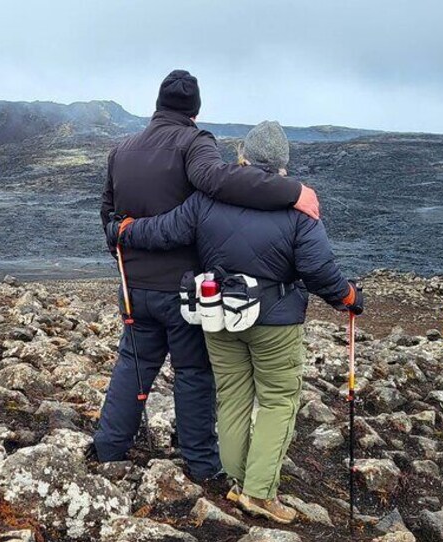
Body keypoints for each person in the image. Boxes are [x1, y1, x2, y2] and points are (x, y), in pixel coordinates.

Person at [107, 120, 364, 522]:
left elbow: (165, 231)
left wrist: (126, 230)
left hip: (219, 316)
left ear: (242, 156)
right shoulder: (298, 208)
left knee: (231, 396)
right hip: (275, 323)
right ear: (281, 165)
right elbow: (318, 270)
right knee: (278, 400)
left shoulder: (206, 200)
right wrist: (348, 297)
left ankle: (237, 479)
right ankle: (259, 492)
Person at [94, 70, 321, 482]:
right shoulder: (195, 143)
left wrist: (122, 253)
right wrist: (291, 192)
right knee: (194, 373)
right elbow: (216, 182)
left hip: (134, 288)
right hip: (184, 291)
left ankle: (110, 448)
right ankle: (200, 465)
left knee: (133, 364)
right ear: (195, 109)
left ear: (158, 103)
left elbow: (108, 215)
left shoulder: (122, 150)